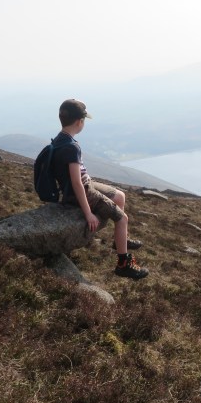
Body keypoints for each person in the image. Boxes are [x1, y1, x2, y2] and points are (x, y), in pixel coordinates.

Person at [51, 99, 149, 280]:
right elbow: (76, 183)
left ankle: (121, 241)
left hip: (85, 184)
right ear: (80, 121)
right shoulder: (71, 147)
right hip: (82, 191)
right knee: (122, 218)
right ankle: (123, 264)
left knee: (119, 196)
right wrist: (88, 213)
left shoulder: (60, 139)